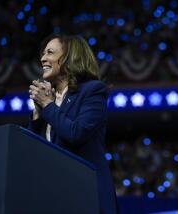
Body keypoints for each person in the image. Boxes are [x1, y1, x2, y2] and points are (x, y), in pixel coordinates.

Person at [28, 34, 117, 214]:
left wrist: (48, 106)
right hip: (55, 198)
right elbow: (33, 153)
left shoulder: (92, 91)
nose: (43, 58)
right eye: (43, 53)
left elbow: (76, 133)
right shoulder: (49, 100)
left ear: (69, 58)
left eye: (50, 52)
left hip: (87, 196)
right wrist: (37, 116)